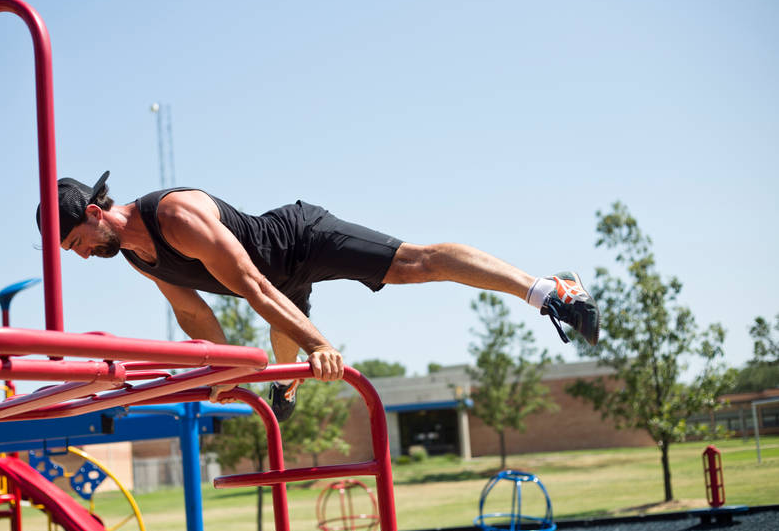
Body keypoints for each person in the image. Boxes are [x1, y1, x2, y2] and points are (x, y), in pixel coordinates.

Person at [37, 172, 599, 420]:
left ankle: (549, 290)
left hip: (300, 241)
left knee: (414, 265)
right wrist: (225, 374)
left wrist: (319, 345)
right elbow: (192, 310)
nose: (81, 254)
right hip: (274, 289)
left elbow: (252, 285)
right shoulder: (136, 256)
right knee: (278, 341)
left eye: (77, 242)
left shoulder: (174, 214)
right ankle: (283, 391)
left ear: (94, 213)